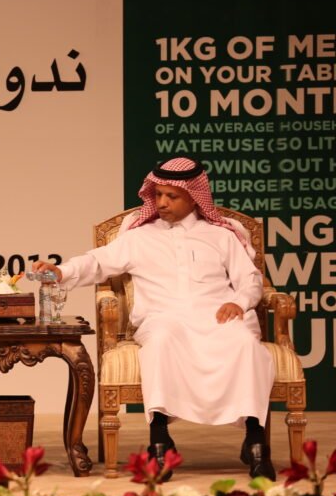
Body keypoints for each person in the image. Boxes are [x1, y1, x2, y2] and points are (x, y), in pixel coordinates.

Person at [32, 157, 276, 479]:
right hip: (164, 317)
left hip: (216, 317)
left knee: (244, 341)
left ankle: (256, 441)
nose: (161, 202)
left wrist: (239, 302)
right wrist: (61, 271)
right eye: (158, 194)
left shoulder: (221, 236)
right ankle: (159, 439)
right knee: (160, 341)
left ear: (194, 197)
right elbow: (97, 263)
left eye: (171, 196)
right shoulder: (139, 237)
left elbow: (251, 279)